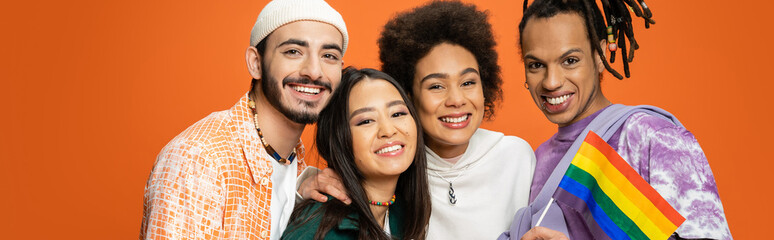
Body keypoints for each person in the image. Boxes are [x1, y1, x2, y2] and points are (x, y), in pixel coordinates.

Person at [298, 1, 536, 239]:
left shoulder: (517, 157)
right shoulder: (397, 166)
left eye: (468, 82)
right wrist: (302, 184)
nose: (456, 99)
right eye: (436, 86)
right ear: (409, 97)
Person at [501, 0, 732, 239]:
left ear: (600, 56)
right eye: (536, 65)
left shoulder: (653, 138)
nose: (551, 82)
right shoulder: (536, 160)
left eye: (570, 60)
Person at [139, 0, 348, 239]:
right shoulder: (199, 161)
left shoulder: (297, 168)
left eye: (329, 55)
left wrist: (298, 198)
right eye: (293, 51)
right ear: (256, 63)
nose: (314, 71)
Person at [281, 67, 431, 240]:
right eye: (366, 121)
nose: (388, 130)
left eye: (397, 113)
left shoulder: (401, 210)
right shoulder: (321, 232)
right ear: (338, 138)